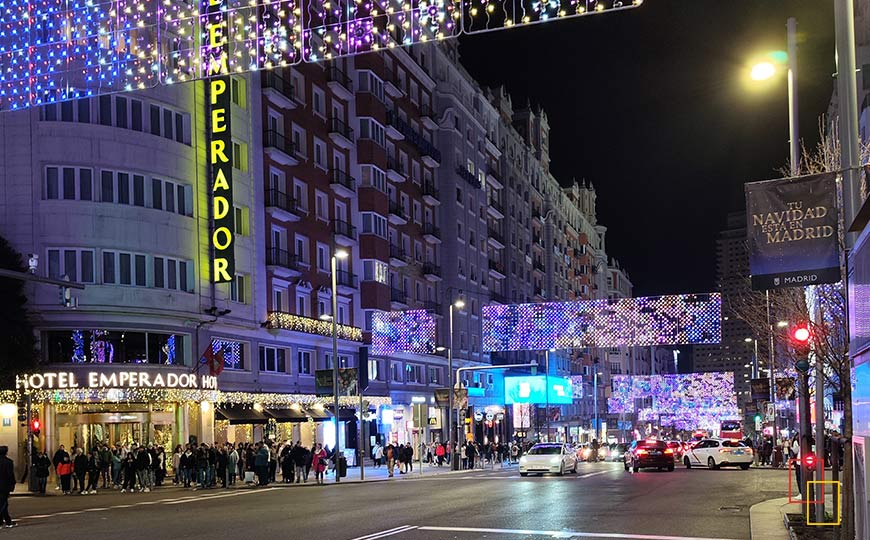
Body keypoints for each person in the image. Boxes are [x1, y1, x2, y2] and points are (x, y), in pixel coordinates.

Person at [0, 447, 16, 528]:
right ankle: (7, 521)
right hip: (4, 486)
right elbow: (10, 475)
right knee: (4, 503)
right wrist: (12, 484)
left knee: (3, 503)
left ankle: (7, 521)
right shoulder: (8, 462)